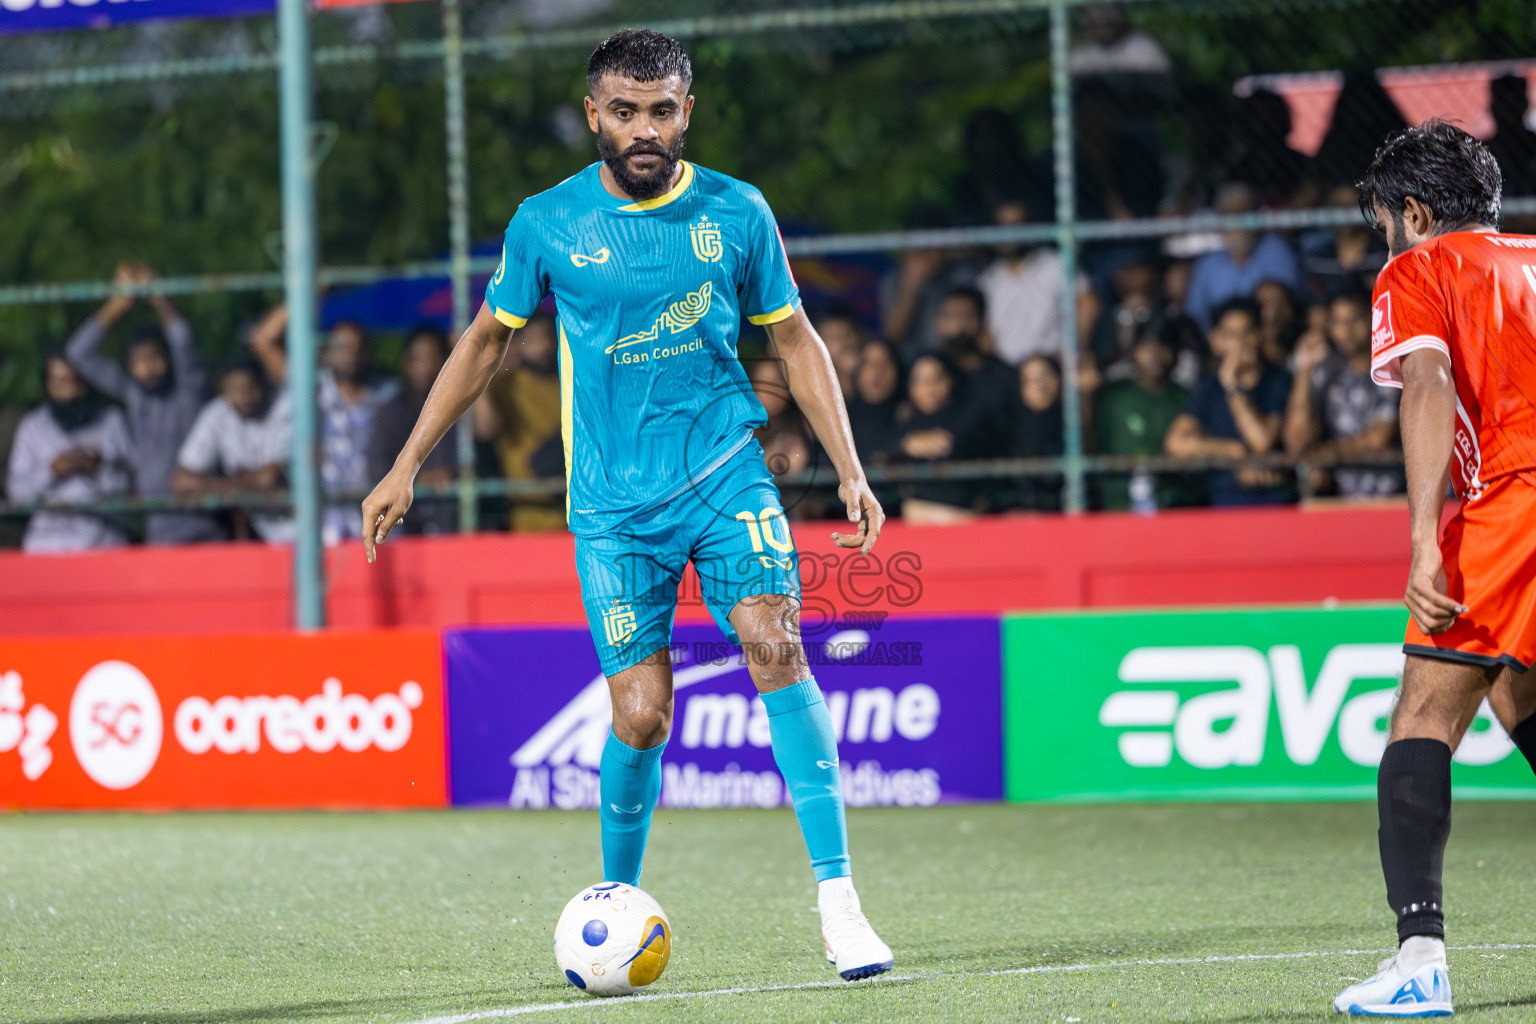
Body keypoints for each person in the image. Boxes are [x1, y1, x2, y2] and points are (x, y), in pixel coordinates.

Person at [360, 29, 892, 981]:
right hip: (612, 508)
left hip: (726, 473)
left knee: (774, 645)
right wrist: (406, 465)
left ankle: (840, 904)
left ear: (686, 111)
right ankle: (614, 900)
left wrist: (849, 467)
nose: (643, 129)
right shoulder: (547, 223)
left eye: (661, 110)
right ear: (593, 114)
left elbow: (799, 341)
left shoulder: (737, 212)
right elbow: (485, 344)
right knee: (643, 716)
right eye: (623, 111)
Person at [1332, 121, 1536, 1018]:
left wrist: (1424, 535)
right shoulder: (1531, 255)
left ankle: (1420, 959)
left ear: (1414, 212)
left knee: (1423, 710)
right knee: (1518, 696)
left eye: (1385, 220)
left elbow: (1427, 383)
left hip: (1514, 499)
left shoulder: (1420, 268)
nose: (1385, 237)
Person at [65, 261, 219, 544]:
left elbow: (181, 337)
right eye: (139, 361)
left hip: (203, 523)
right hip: (157, 527)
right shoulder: (133, 393)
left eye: (154, 358)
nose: (148, 368)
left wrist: (158, 296)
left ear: (169, 360)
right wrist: (119, 303)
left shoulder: (188, 389)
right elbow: (78, 353)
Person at [1165, 298, 1293, 505]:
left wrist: (1233, 388)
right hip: (1225, 496)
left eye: (1247, 332)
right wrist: (1231, 451)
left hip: (1275, 497)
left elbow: (1261, 443)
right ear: (1218, 340)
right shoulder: (1209, 386)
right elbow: (1176, 443)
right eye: (1232, 335)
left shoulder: (1278, 380)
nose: (1241, 342)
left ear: (1259, 335)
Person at [5, 353, 132, 553]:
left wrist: (98, 468)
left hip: (103, 543)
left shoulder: (112, 421)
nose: (70, 390)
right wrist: (52, 470)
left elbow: (134, 485)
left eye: (76, 380)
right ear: (48, 385)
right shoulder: (32, 427)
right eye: (61, 381)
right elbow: (17, 494)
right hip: (47, 545)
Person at [1283, 291, 1401, 499]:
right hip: (1340, 499)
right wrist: (1304, 370)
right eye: (1338, 322)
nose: (1346, 330)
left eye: (1354, 320)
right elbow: (1296, 443)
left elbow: (1378, 439)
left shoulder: (1389, 366)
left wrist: (1326, 453)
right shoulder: (1326, 372)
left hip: (1394, 495)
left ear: (1373, 319)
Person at [173, 355, 293, 543]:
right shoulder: (217, 413)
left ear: (264, 384)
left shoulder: (286, 406)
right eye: (234, 389)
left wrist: (224, 487)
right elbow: (182, 481)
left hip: (311, 529)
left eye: (250, 387)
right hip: (263, 535)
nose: (243, 396)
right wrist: (241, 484)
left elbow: (269, 480)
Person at [476, 311, 566, 532]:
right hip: (527, 517)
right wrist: (483, 369)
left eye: (548, 338)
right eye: (533, 340)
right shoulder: (505, 387)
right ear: (517, 345)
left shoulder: (570, 381)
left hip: (574, 513)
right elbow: (486, 430)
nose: (544, 346)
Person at [1092, 321, 1194, 510]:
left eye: (1163, 346)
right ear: (1133, 352)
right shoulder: (1111, 396)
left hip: (1174, 506)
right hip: (1117, 505)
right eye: (1146, 346)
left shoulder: (1188, 399)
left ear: (1176, 353)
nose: (1154, 354)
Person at [368, 326, 458, 536]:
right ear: (405, 363)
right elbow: (376, 470)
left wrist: (467, 365)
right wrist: (417, 479)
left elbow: (488, 429)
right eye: (417, 358)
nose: (424, 367)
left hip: (454, 524)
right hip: (403, 527)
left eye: (432, 357)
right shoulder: (390, 412)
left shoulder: (458, 408)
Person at [319, 321, 399, 545]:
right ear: (327, 353)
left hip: (380, 513)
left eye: (357, 347)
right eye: (342, 347)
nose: (351, 354)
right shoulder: (312, 395)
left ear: (368, 353)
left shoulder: (390, 397)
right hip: (326, 519)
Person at [1184, 183, 1302, 330]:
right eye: (1228, 213)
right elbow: (1196, 316)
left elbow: (1287, 308)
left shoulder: (1275, 249)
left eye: (1243, 212)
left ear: (1256, 215)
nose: (1236, 221)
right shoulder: (1207, 265)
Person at [896, 353, 979, 521]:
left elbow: (956, 444)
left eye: (936, 379)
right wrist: (905, 444)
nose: (929, 387)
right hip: (917, 518)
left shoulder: (969, 416)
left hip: (962, 515)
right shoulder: (904, 421)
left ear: (950, 381)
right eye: (919, 380)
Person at [1011, 355, 1064, 512]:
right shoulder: (1009, 428)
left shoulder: (1075, 422)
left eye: (1045, 376)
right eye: (1029, 380)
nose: (1040, 385)